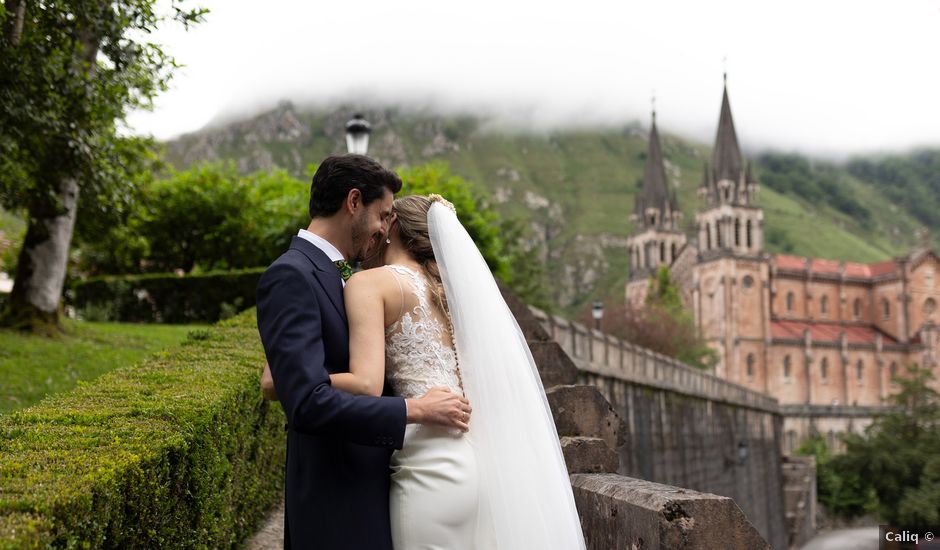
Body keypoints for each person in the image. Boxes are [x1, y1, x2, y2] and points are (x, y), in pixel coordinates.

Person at [329, 194, 586, 548]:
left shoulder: (371, 283)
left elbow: (364, 383)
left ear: (393, 228)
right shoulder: (449, 294)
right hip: (470, 462)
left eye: (384, 218)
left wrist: (294, 378)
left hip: (426, 466)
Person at [255, 155, 472, 550]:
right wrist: (415, 410)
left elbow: (284, 378)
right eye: (382, 215)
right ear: (353, 201)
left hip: (381, 479)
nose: (385, 230)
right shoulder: (291, 275)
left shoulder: (353, 277)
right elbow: (305, 401)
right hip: (335, 497)